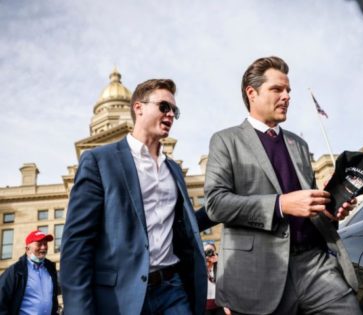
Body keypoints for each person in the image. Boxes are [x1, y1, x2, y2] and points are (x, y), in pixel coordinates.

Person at [204, 56, 362, 315]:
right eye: (277, 89)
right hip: (259, 272)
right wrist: (281, 204)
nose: (287, 96)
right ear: (252, 93)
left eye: (288, 90)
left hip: (315, 265)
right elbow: (215, 204)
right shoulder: (225, 140)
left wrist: (330, 210)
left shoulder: (298, 144)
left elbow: (309, 206)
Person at [60, 78, 214, 315]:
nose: (171, 114)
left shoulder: (172, 170)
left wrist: (223, 207)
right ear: (138, 108)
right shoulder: (99, 160)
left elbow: (182, 229)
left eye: (175, 110)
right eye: (164, 107)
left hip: (172, 288)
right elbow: (77, 243)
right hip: (123, 295)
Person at [0, 230, 59, 315]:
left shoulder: (50, 268)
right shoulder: (15, 271)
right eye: (39, 244)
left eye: (45, 244)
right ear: (28, 249)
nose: (43, 247)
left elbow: (53, 300)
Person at [204, 242, 224, 315]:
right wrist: (206, 264)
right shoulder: (201, 265)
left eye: (211, 251)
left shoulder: (220, 264)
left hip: (219, 304)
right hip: (206, 305)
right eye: (206, 252)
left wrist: (219, 262)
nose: (209, 253)